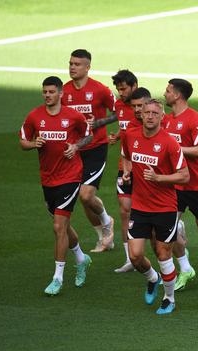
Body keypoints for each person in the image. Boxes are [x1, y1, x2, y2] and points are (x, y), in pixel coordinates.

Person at [19, 76, 92, 295]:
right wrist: (34, 144)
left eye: (51, 92)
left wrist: (76, 147)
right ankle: (81, 258)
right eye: (45, 92)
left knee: (59, 227)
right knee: (64, 225)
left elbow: (87, 136)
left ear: (61, 93)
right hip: (48, 178)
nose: (48, 95)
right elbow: (23, 142)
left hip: (70, 176)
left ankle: (58, 278)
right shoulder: (35, 116)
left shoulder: (73, 116)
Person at [121, 99, 189, 314]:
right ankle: (153, 278)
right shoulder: (130, 136)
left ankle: (169, 299)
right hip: (140, 206)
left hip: (165, 208)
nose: (149, 116)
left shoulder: (169, 143)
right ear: (141, 114)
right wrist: (126, 171)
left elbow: (185, 176)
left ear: (162, 117)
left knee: (163, 254)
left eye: (154, 113)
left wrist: (159, 178)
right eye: (146, 112)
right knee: (135, 255)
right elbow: (126, 155)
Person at [162, 78, 198, 291]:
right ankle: (185, 268)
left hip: (197, 184)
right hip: (175, 184)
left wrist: (175, 147)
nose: (165, 93)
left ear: (177, 95)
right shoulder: (166, 120)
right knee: (169, 227)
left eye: (168, 91)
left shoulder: (194, 119)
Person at [63, 49, 116, 252]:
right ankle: (104, 237)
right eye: (70, 63)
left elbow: (118, 112)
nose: (72, 67)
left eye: (77, 64)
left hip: (95, 147)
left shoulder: (99, 90)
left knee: (86, 195)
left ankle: (107, 222)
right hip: (75, 149)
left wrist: (99, 122)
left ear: (87, 67)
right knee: (83, 198)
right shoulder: (64, 91)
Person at [108, 70, 138, 272]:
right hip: (124, 165)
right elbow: (126, 128)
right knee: (124, 210)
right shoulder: (118, 105)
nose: (121, 93)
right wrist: (117, 136)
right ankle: (130, 259)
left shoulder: (146, 107)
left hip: (146, 168)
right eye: (118, 89)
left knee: (149, 214)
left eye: (124, 88)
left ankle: (175, 241)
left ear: (134, 86)